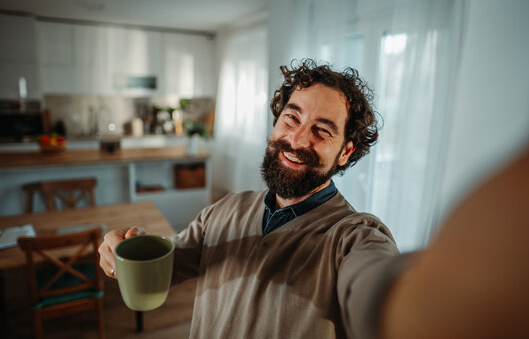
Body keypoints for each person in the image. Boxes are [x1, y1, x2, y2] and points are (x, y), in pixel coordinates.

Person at [99, 59, 399, 338]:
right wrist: (119, 254)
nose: (296, 140)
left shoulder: (353, 237)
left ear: (345, 152)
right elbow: (162, 267)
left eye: (321, 130)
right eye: (292, 118)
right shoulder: (225, 209)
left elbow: (378, 289)